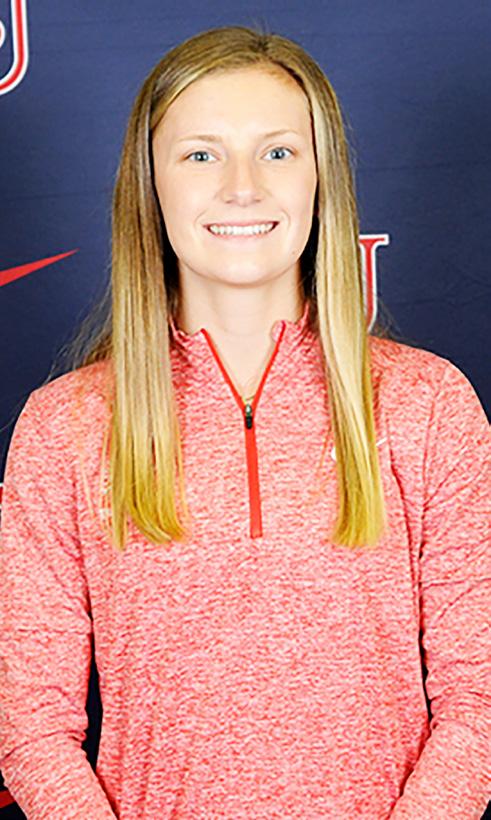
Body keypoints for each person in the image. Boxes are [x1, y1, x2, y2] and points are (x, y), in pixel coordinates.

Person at [0, 23, 489, 820]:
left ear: (321, 180)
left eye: (277, 152)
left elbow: (479, 701)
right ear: (150, 186)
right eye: (200, 154)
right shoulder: (64, 429)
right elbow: (31, 726)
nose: (241, 187)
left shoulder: (429, 406)